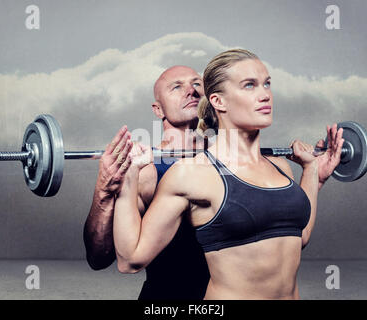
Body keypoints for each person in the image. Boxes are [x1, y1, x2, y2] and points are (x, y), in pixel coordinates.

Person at [113, 49, 345, 299]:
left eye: (267, 84)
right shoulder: (192, 174)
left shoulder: (281, 167)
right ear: (218, 101)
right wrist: (129, 174)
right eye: (249, 85)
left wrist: (313, 173)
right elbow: (130, 260)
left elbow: (297, 237)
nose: (265, 94)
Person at [83, 66, 211, 299]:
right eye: (177, 86)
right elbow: (99, 258)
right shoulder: (144, 170)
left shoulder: (233, 161)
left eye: (196, 84)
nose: (191, 91)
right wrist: (103, 191)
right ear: (158, 109)